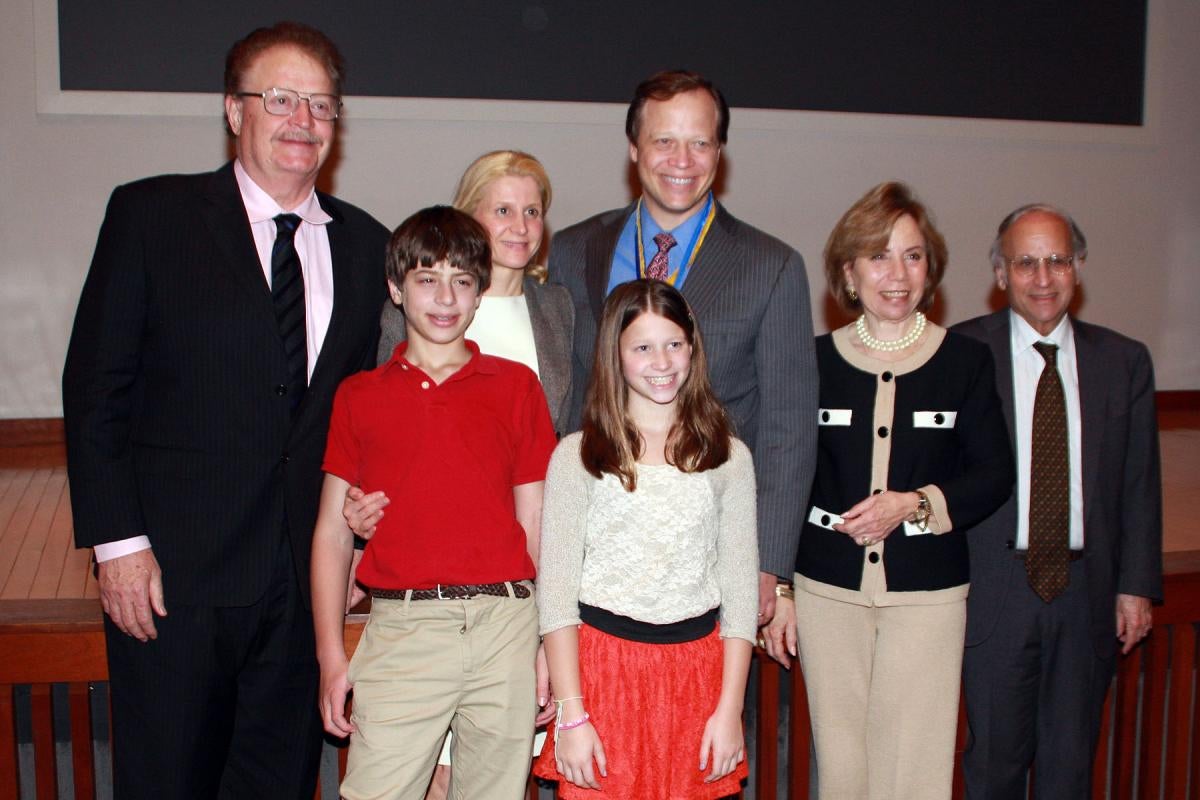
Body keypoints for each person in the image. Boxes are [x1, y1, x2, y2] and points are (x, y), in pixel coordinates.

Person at [61, 22, 388, 798]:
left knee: (276, 781)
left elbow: (366, 416)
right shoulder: (151, 217)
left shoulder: (367, 245)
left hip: (303, 581)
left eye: (320, 104)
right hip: (174, 578)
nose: (302, 120)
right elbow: (96, 387)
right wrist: (117, 545)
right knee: (167, 780)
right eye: (280, 99)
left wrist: (357, 552)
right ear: (235, 111)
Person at [767, 182, 1013, 799]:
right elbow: (790, 474)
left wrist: (915, 504)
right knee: (843, 767)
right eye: (878, 256)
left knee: (915, 768)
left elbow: (992, 473)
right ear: (849, 272)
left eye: (912, 255)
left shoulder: (965, 361)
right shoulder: (813, 361)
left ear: (931, 268)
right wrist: (784, 589)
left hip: (925, 598)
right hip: (827, 595)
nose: (896, 273)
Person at [549, 70, 817, 627]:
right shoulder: (575, 249)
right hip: (596, 548)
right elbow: (567, 389)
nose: (682, 159)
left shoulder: (773, 266)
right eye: (664, 140)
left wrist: (769, 563)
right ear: (633, 149)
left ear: (720, 151)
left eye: (700, 142)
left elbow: (789, 423)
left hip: (710, 554)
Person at [343, 150, 572, 798]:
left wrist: (546, 626)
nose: (522, 225)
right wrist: (358, 509)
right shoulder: (410, 311)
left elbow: (558, 463)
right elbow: (381, 431)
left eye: (533, 211)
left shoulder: (556, 311)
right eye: (503, 209)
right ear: (467, 213)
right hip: (427, 589)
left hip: (508, 591)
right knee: (426, 777)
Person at [955, 204, 1162, 799]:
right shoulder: (962, 353)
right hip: (994, 594)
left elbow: (1139, 482)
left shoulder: (1124, 361)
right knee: (992, 767)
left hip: (1087, 595)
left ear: (1078, 269)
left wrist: (1136, 586)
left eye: (1056, 261)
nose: (1042, 278)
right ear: (1000, 273)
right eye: (1026, 263)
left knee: (1071, 771)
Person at [532, 279, 759, 799]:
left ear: (693, 348)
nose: (662, 360)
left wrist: (730, 710)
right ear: (616, 354)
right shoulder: (577, 455)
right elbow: (558, 597)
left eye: (674, 343)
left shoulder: (729, 457)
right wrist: (571, 716)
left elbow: (742, 598)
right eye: (642, 347)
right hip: (603, 674)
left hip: (698, 677)